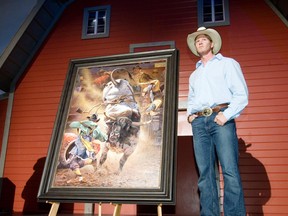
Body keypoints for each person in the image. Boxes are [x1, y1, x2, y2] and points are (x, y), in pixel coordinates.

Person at [186, 26, 248, 216]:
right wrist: (190, 115)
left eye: (204, 39)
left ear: (212, 44)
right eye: (197, 40)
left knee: (229, 171)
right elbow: (191, 99)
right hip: (199, 123)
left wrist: (226, 115)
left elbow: (241, 94)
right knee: (206, 175)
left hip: (220, 118)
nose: (200, 41)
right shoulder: (194, 75)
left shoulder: (228, 64)